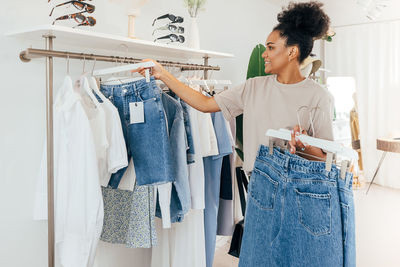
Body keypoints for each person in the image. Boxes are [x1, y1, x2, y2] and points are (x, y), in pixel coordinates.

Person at [134, 1, 335, 265]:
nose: (265, 53)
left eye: (271, 48)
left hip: (300, 194)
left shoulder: (318, 96)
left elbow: (326, 158)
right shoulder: (253, 87)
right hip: (260, 191)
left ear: (292, 52)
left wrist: (304, 145)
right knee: (256, 259)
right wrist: (163, 75)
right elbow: (205, 104)